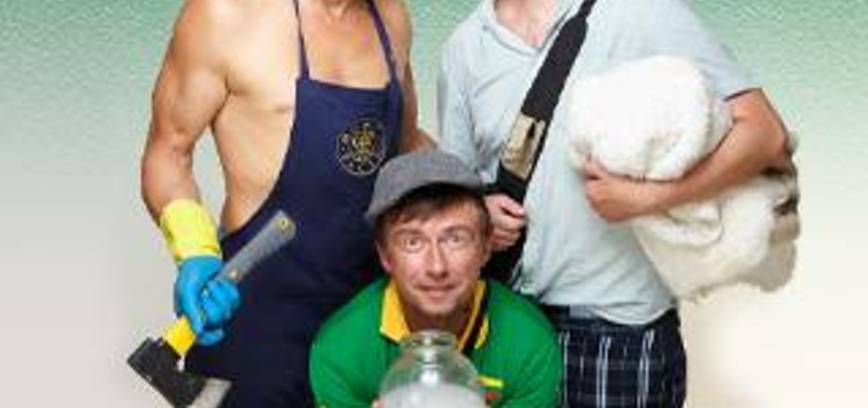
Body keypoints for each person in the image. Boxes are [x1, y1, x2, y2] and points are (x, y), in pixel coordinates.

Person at [437, 0, 792, 406]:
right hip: (506, 324)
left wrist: (648, 198)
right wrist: (480, 214)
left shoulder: (641, 11)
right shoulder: (464, 48)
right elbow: (454, 194)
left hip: (617, 327)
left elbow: (764, 133)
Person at [140, 0, 431, 404]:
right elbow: (168, 152)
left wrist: (471, 199)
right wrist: (194, 251)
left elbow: (407, 145)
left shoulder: (391, 15)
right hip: (259, 325)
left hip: (367, 327)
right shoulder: (224, 15)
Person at [308, 150, 562, 407]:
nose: (437, 267)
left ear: (486, 248)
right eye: (413, 242)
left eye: (455, 239)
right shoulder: (340, 349)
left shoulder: (529, 343)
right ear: (385, 255)